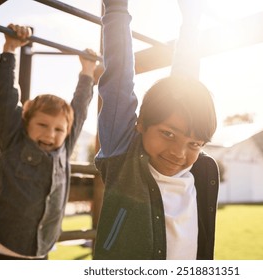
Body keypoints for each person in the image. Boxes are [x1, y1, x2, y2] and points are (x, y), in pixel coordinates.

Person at [93, 0, 219, 260]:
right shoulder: (124, 156)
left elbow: (186, 81)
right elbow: (117, 79)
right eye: (168, 134)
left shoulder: (199, 172)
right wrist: (116, 9)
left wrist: (191, 17)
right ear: (140, 124)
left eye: (194, 144)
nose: (178, 153)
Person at [0, 24, 96, 260]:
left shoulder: (64, 149)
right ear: (26, 124)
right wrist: (10, 49)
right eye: (42, 125)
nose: (50, 135)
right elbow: (6, 96)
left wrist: (87, 71)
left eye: (59, 129)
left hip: (39, 254)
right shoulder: (14, 140)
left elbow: (80, 108)